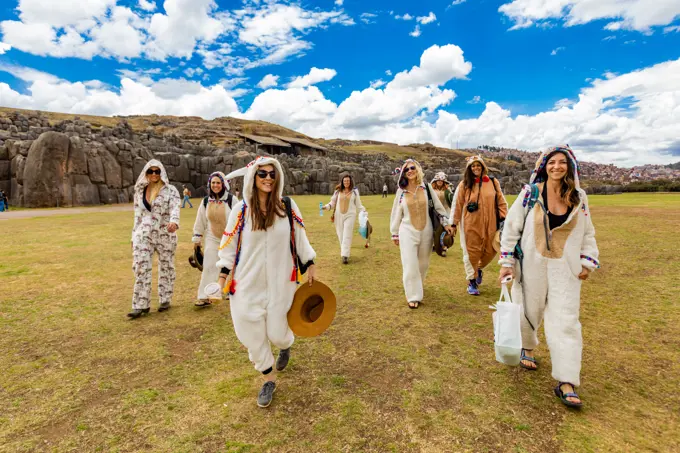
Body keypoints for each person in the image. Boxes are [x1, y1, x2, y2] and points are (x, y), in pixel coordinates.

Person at [498, 145, 600, 409]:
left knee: (566, 320)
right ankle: (528, 347)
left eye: (562, 162)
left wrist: (587, 260)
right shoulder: (529, 194)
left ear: (570, 166)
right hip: (531, 263)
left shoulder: (580, 197)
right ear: (543, 166)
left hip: (565, 269)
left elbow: (588, 232)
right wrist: (507, 262)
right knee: (527, 310)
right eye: (551, 162)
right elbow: (511, 227)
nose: (557, 166)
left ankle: (566, 381)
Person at [217, 156, 317, 408]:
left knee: (278, 333)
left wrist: (310, 263)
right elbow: (228, 247)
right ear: (253, 178)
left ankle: (285, 346)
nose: (268, 178)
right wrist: (221, 277)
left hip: (281, 282)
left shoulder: (287, 207)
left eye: (272, 174)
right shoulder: (240, 211)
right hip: (246, 284)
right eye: (262, 174)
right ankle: (268, 376)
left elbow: (300, 238)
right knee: (249, 331)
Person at [390, 159, 453, 309]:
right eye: (406, 170)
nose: (410, 171)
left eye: (412, 168)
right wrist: (394, 233)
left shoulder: (426, 188)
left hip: (427, 231)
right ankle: (413, 295)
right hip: (407, 231)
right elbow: (395, 213)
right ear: (403, 174)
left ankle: (417, 284)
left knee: (423, 264)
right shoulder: (401, 191)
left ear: (417, 169)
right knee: (410, 263)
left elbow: (439, 208)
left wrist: (446, 223)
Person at [129, 160, 180, 319]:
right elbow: (137, 216)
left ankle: (165, 298)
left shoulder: (170, 190)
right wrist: (133, 236)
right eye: (151, 171)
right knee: (141, 267)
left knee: (167, 267)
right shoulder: (139, 191)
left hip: (165, 234)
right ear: (146, 173)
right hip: (143, 235)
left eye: (157, 171)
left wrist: (174, 222)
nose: (154, 174)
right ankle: (140, 305)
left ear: (162, 172)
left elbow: (175, 208)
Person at [450, 156, 507, 295]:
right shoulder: (464, 184)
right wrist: (453, 224)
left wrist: (505, 219)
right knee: (471, 253)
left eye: (478, 165)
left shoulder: (493, 182)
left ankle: (478, 269)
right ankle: (472, 281)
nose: (476, 168)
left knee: (491, 250)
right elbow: (457, 204)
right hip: (471, 223)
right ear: (469, 168)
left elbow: (501, 201)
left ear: (483, 167)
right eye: (473, 166)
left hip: (491, 223)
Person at [191, 172, 236, 307]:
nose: (215, 185)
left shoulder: (231, 200)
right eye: (213, 183)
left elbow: (239, 219)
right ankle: (205, 296)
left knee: (232, 265)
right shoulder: (206, 201)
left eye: (218, 183)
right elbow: (201, 221)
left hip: (230, 238)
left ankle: (231, 291)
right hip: (212, 237)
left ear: (223, 184)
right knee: (209, 266)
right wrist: (197, 238)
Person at [323, 174, 366, 264]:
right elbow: (333, 202)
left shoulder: (354, 192)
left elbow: (358, 204)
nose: (346, 182)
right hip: (338, 216)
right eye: (345, 181)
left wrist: (364, 212)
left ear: (350, 182)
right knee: (341, 235)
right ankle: (344, 251)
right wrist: (326, 207)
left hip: (350, 215)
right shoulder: (338, 191)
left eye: (348, 181)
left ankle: (345, 256)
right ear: (342, 182)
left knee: (347, 234)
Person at [430, 172, 454, 256]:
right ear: (435, 181)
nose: (440, 182)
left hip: (445, 212)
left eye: (441, 180)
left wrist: (449, 191)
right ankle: (434, 245)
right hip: (434, 213)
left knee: (445, 231)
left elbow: (452, 200)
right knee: (435, 230)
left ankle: (444, 246)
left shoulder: (447, 190)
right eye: (438, 180)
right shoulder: (432, 190)